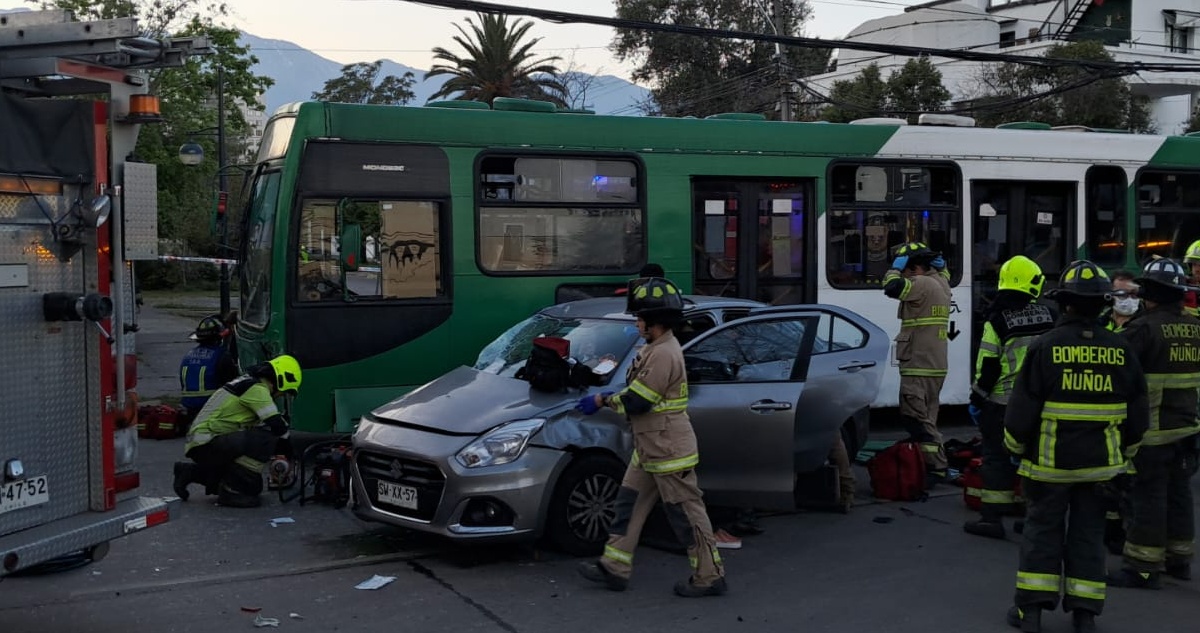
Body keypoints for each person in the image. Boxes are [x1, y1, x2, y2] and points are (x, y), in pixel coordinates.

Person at [1003, 260, 1148, 633]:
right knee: (1088, 535)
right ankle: (1085, 614)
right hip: (1102, 466)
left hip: (1049, 466)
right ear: (1103, 304)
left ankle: (1030, 612)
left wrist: (1016, 450)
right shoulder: (1120, 348)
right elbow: (1138, 417)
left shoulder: (1045, 347)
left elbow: (1020, 413)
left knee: (1042, 533)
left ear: (1064, 303)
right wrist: (1124, 456)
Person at [575, 277, 727, 598]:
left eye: (641, 318)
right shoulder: (653, 348)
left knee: (686, 515)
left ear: (656, 321)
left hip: (669, 451)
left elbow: (638, 401)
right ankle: (614, 567)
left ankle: (709, 576)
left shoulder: (664, 354)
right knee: (627, 506)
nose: (637, 323)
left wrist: (602, 401)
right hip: (649, 449)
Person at [1108, 258, 1200, 589]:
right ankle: (1179, 560)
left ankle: (1143, 566)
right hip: (1188, 426)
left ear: (1152, 293)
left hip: (1152, 429)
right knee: (1179, 493)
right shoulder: (1194, 326)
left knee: (1147, 494)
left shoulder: (1143, 329)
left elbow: (1116, 371)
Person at [963, 256, 1055, 540]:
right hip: (1040, 404)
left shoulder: (996, 319)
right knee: (1032, 460)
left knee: (995, 458)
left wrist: (977, 399)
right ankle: (1029, 516)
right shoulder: (1050, 314)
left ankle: (992, 518)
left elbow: (989, 366)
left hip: (1002, 404)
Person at [172, 354, 303, 508]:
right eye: (284, 392)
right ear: (281, 380)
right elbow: (276, 425)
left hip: (204, 441)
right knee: (264, 439)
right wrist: (290, 451)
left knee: (253, 487)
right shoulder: (257, 389)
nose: (281, 396)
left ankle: (190, 473)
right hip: (207, 441)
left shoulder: (247, 383)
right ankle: (231, 492)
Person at [883, 242, 953, 484]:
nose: (903, 273)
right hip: (935, 365)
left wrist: (894, 267)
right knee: (928, 418)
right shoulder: (942, 283)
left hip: (918, 364)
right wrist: (941, 266)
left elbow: (891, 287)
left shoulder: (920, 283)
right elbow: (945, 272)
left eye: (905, 268)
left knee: (917, 420)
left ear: (913, 268)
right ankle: (927, 464)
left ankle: (938, 466)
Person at [179, 316, 239, 422]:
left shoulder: (188, 356)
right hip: (211, 408)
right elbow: (233, 385)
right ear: (219, 337)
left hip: (188, 410)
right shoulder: (221, 356)